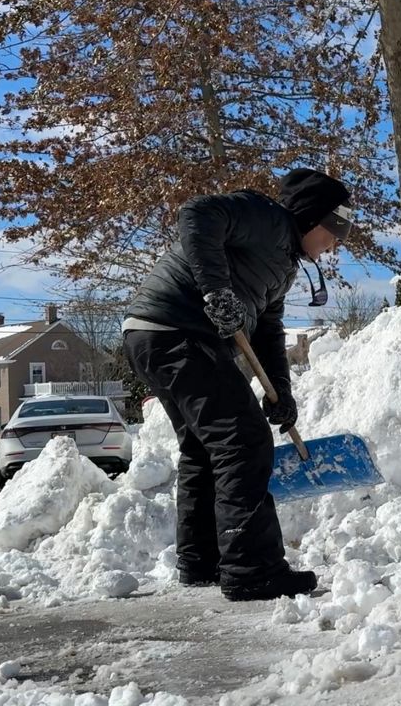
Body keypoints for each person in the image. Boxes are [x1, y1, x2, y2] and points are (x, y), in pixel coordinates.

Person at [123, 168, 355, 600]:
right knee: (243, 440)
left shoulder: (283, 264)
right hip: (177, 329)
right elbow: (197, 213)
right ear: (310, 218)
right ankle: (252, 569)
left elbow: (268, 330)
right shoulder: (265, 216)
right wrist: (215, 292)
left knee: (203, 447)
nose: (333, 244)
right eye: (333, 231)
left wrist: (280, 393)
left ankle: (202, 561)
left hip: (154, 336)